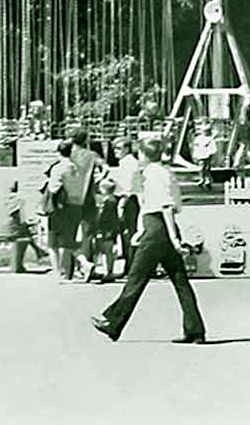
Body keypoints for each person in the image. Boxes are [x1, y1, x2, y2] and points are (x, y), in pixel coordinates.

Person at [92, 135, 206, 343]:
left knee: (136, 278)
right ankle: (195, 329)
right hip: (156, 227)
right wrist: (142, 231)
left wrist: (173, 238)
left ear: (143, 154)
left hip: (157, 230)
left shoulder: (155, 175)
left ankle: (114, 322)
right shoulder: (160, 172)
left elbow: (165, 206)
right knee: (180, 280)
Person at [47, 140, 95, 283]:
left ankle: (57, 272)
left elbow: (53, 188)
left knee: (53, 243)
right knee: (68, 241)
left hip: (60, 207)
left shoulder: (58, 168)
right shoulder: (77, 168)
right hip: (76, 205)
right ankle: (81, 264)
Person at [69, 129, 103, 280]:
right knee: (88, 233)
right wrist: (98, 180)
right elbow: (106, 168)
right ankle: (88, 263)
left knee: (68, 232)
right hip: (88, 196)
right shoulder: (92, 155)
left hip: (71, 196)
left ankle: (72, 268)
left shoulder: (68, 154)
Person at [0, 180, 45, 273]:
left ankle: (38, 252)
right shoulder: (19, 200)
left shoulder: (1, 199)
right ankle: (18, 265)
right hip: (10, 231)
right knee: (25, 237)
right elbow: (22, 218)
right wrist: (30, 224)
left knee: (25, 233)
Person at [111, 137, 142, 273]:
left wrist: (121, 205)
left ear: (127, 148)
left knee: (128, 233)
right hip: (124, 199)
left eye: (119, 148)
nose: (115, 151)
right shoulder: (124, 163)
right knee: (125, 235)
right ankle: (129, 265)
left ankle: (132, 266)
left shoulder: (129, 163)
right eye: (114, 148)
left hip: (127, 200)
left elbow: (128, 187)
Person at [95, 177, 120, 283]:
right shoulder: (114, 200)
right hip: (112, 229)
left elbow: (103, 218)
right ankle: (109, 270)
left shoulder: (107, 203)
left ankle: (108, 271)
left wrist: (98, 229)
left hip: (106, 230)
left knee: (106, 251)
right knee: (109, 251)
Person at [191, 119, 217, 189]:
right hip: (200, 155)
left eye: (206, 131)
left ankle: (208, 179)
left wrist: (211, 153)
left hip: (207, 155)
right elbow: (196, 147)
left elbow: (212, 147)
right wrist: (195, 154)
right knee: (201, 168)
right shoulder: (198, 139)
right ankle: (202, 178)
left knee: (207, 168)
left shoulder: (210, 139)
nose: (205, 133)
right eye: (204, 131)